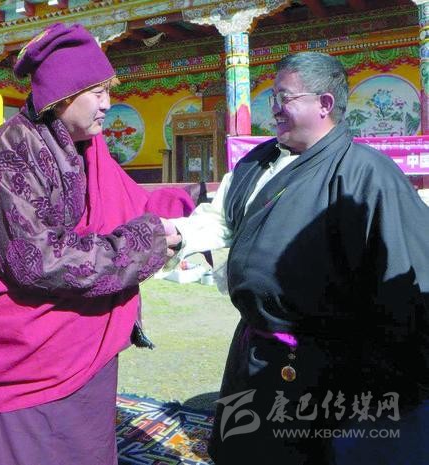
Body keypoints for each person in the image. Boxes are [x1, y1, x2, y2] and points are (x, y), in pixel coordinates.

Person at [0, 23, 186, 465]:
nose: (107, 103)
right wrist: (144, 245)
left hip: (75, 346)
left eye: (109, 91)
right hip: (18, 354)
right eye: (97, 92)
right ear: (62, 95)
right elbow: (39, 261)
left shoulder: (85, 146)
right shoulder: (9, 156)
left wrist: (189, 206)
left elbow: (128, 202)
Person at [168, 52, 429, 464]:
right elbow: (220, 218)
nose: (273, 108)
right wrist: (178, 234)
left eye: (284, 98)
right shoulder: (257, 162)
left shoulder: (367, 175)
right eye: (272, 97)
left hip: (326, 365)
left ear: (324, 104)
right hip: (254, 347)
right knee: (245, 450)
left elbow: (406, 280)